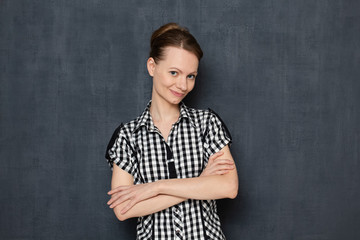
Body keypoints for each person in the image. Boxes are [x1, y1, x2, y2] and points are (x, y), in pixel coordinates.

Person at [105, 23, 238, 240]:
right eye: (174, 72)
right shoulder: (127, 137)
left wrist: (153, 188)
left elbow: (229, 187)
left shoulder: (207, 124)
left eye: (190, 76)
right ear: (152, 66)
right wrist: (200, 182)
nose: (182, 85)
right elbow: (123, 209)